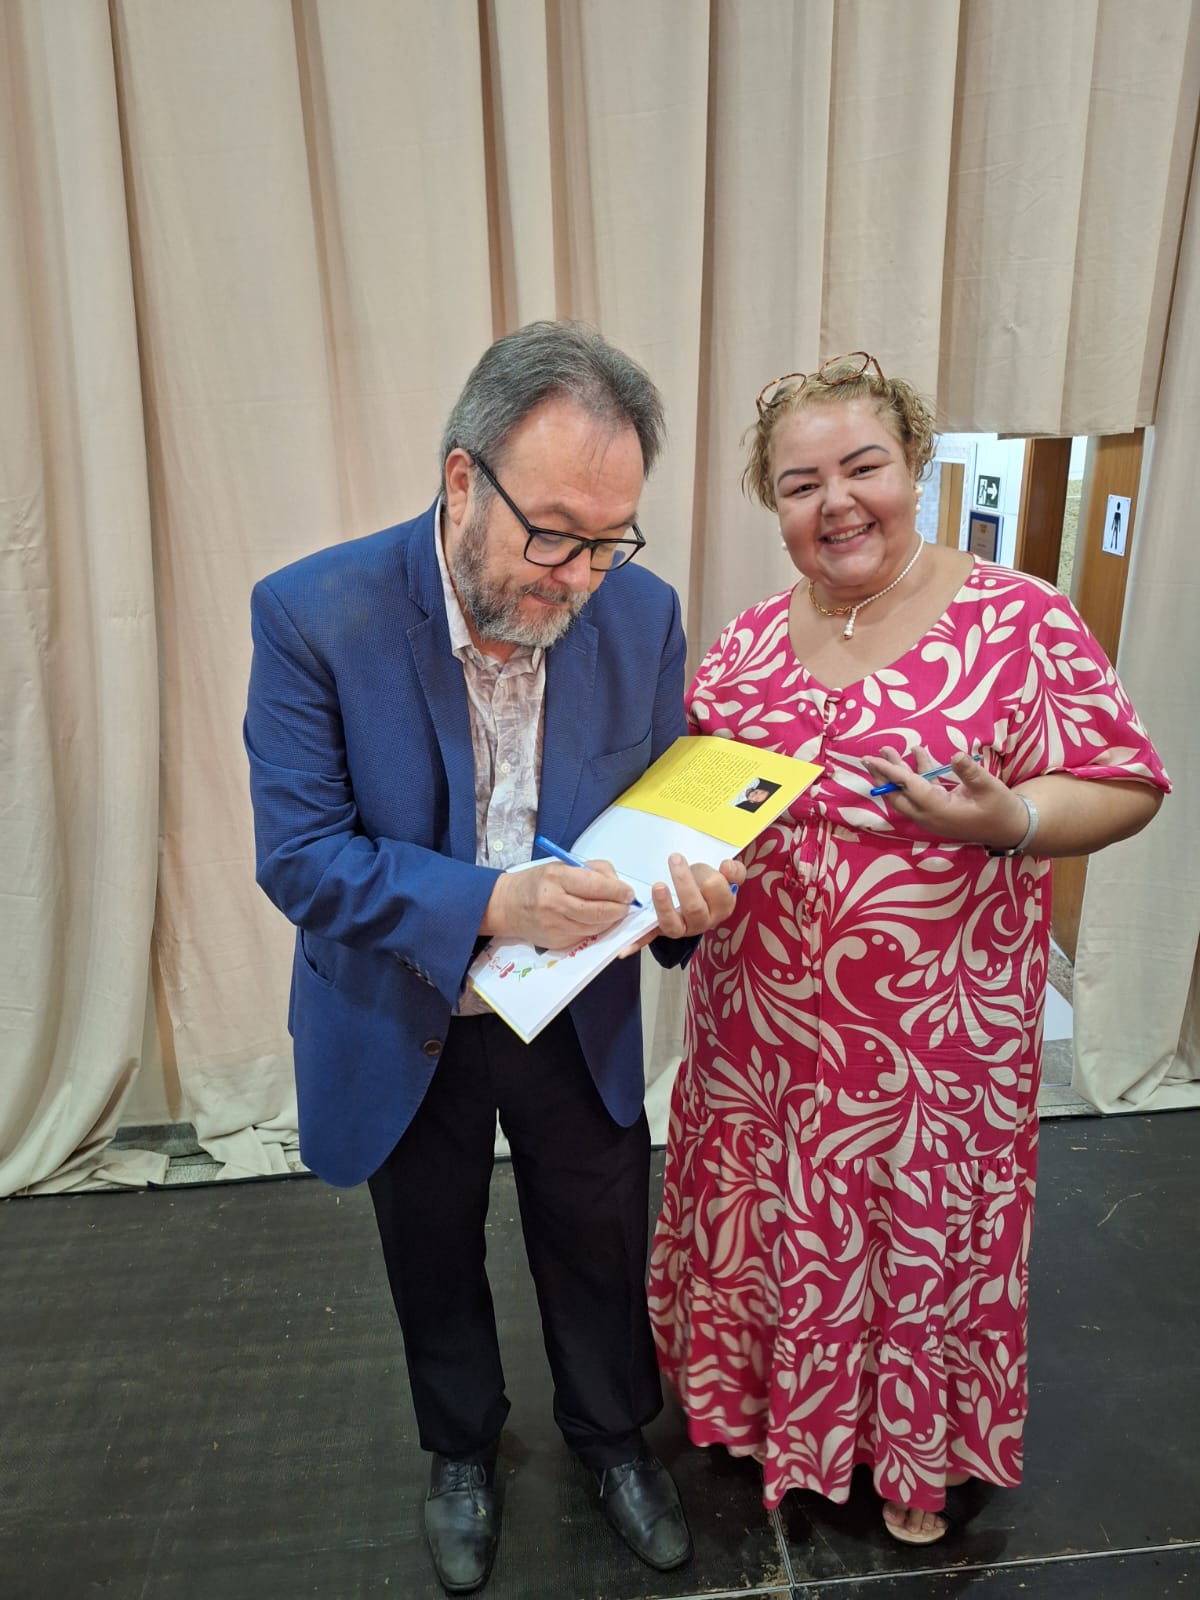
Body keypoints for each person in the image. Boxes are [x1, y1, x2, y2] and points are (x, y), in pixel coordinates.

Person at [244, 321, 742, 1594]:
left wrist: (687, 898)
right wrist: (493, 904)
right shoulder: (315, 613)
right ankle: (461, 1446)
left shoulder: (640, 613)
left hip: (576, 1010)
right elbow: (302, 858)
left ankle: (613, 1439)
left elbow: (660, 813)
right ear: (463, 480)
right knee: (433, 1246)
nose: (579, 576)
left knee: (598, 1234)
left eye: (610, 540)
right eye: (554, 533)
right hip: (402, 1008)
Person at [647, 352, 1168, 1546]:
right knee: (773, 1218)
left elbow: (1127, 780)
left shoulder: (1019, 618)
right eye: (800, 484)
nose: (835, 502)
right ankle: (766, 1416)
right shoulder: (743, 646)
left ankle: (907, 1453)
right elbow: (693, 811)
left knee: (910, 1238)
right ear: (772, 502)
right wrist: (682, 885)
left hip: (933, 1052)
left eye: (863, 467)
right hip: (758, 1045)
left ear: (915, 466)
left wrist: (1011, 819)